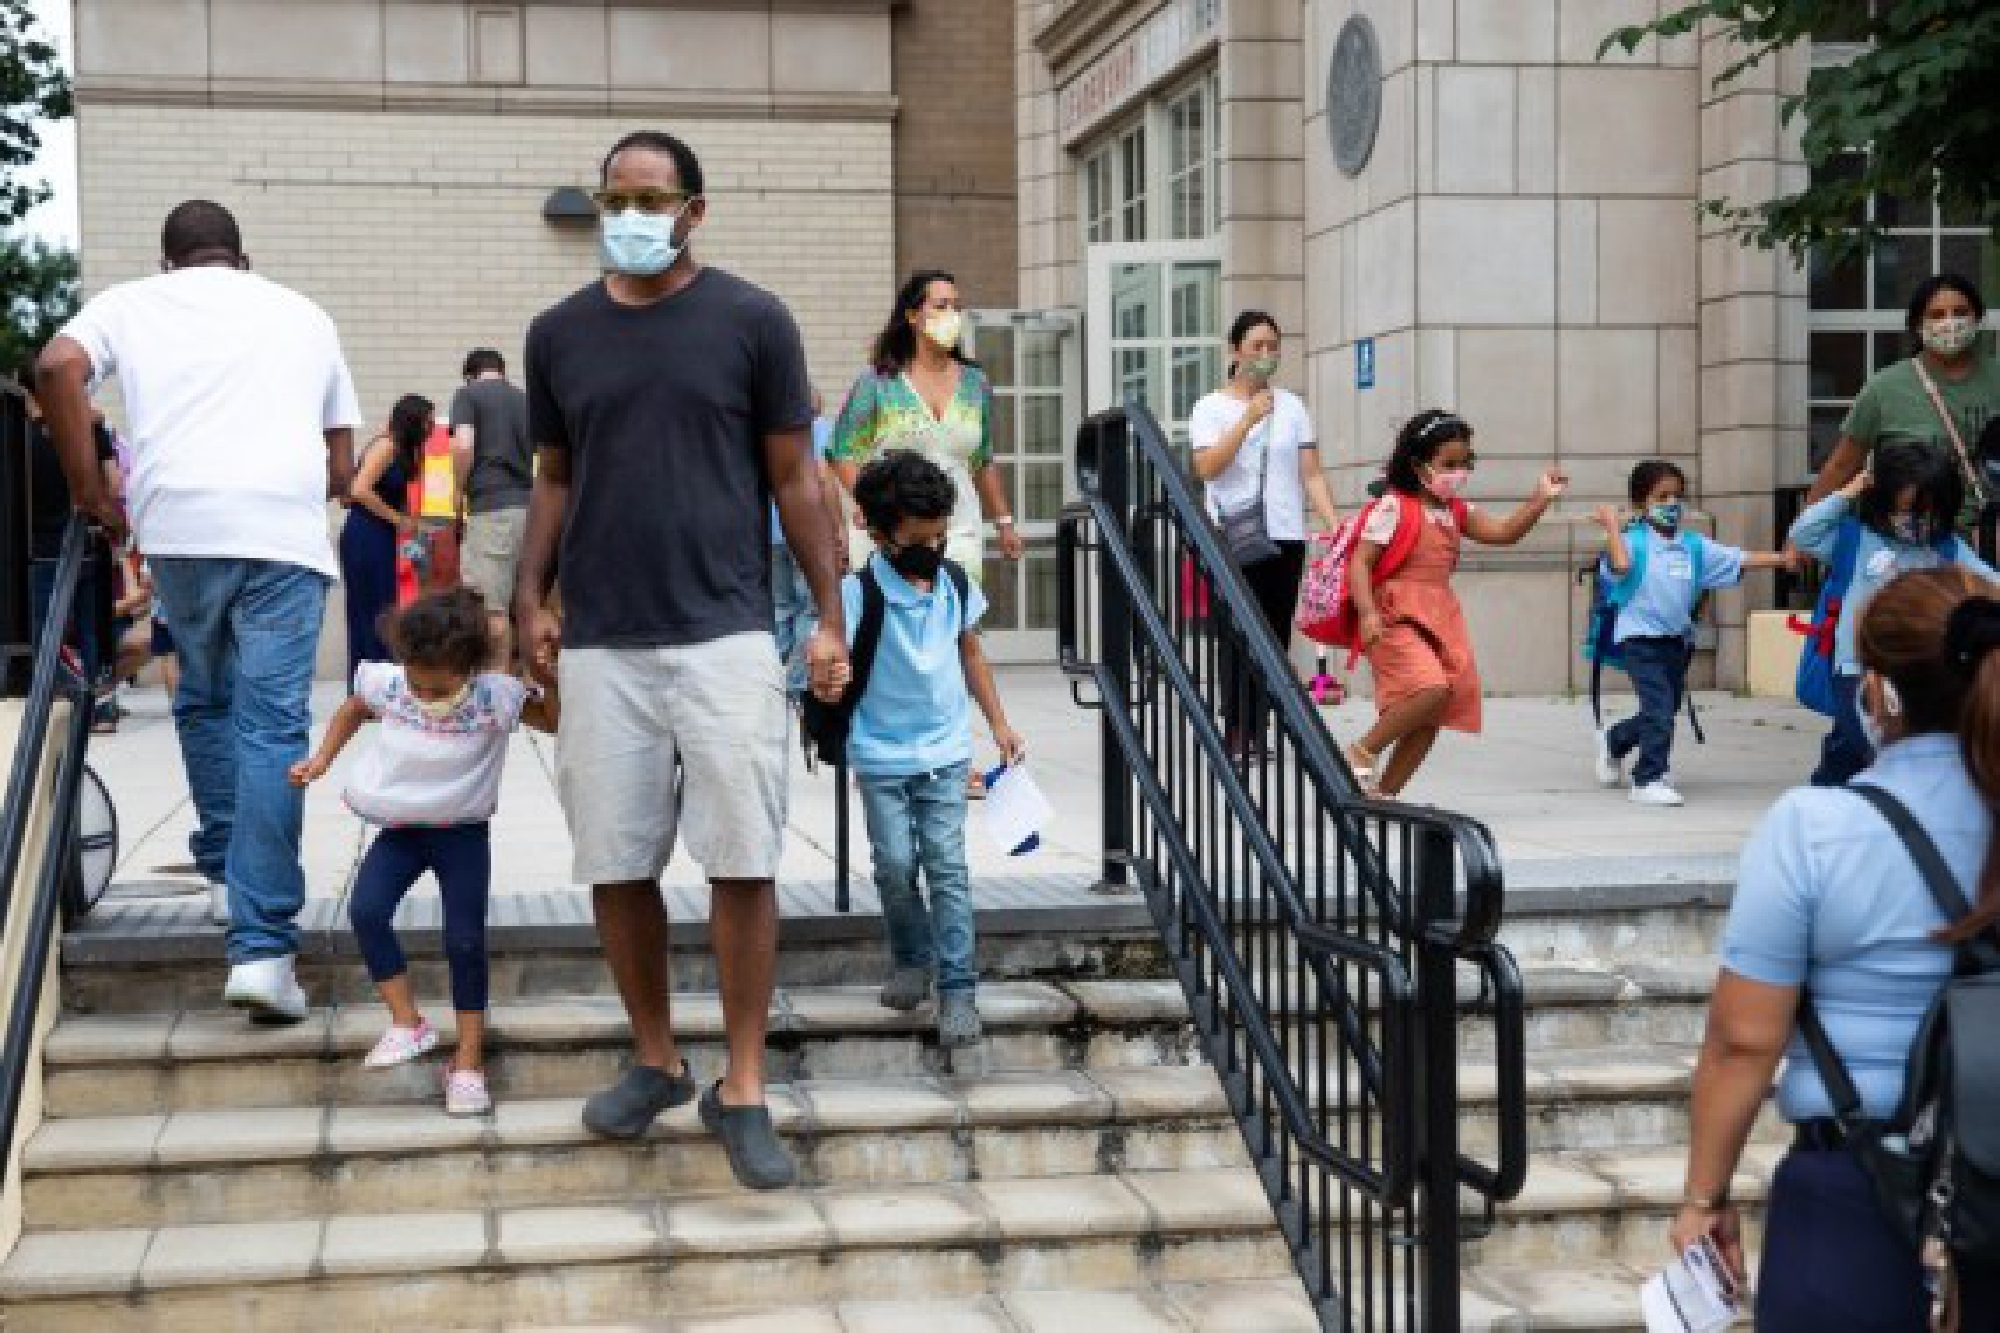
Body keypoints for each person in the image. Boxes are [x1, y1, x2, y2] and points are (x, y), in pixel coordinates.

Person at [516, 130, 848, 1190]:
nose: (631, 211)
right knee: (616, 861)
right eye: (615, 195)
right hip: (605, 637)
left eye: (651, 196)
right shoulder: (556, 334)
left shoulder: (752, 321)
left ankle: (741, 1084)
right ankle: (656, 1057)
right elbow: (556, 478)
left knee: (742, 856)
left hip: (725, 632)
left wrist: (829, 613)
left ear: (694, 209)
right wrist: (528, 594)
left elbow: (796, 479)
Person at [37, 198, 361, 1017]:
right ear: (241, 258)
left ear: (168, 258)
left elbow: (55, 369)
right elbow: (340, 462)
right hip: (281, 538)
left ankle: (224, 868)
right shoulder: (303, 313)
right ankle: (261, 949)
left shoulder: (132, 302)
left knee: (208, 701)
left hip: (179, 529)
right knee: (272, 727)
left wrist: (91, 492)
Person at [1674, 567, 2000, 1330]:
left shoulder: (1814, 827)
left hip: (1857, 1192)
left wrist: (1703, 1199)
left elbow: (1741, 1041)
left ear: (1878, 689)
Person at [289, 588, 555, 1116]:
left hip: (461, 835)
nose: (425, 696)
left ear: (468, 671)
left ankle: (469, 1063)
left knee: (464, 941)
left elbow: (552, 721)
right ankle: (408, 1023)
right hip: (403, 828)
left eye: (438, 688)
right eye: (418, 683)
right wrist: (321, 758)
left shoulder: (493, 696)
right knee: (366, 910)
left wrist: (546, 677)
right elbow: (353, 709)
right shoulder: (393, 684)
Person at [841, 452, 1024, 1047]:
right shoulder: (858, 594)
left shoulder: (953, 585)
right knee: (895, 866)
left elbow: (971, 654)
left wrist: (998, 724)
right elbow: (829, 664)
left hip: (945, 751)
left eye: (941, 536)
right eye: (920, 539)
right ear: (877, 529)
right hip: (880, 755)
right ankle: (909, 956)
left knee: (947, 868)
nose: (933, 549)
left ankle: (958, 986)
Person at [1344, 410, 1565, 798]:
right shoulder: (1393, 506)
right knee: (1429, 689)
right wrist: (1367, 613)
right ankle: (1361, 751)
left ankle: (1385, 795)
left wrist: (1540, 499)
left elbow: (1504, 533)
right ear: (1418, 465)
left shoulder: (1457, 511)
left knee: (1433, 713)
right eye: (1449, 464)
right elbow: (1361, 561)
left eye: (1466, 464)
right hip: (1394, 614)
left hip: (1438, 615)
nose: (1459, 472)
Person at [1789, 441, 1996, 786]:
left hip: (1913, 664)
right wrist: (1848, 491)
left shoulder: (1944, 548)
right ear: (1882, 500)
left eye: (1927, 513)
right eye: (1906, 510)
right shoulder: (1855, 541)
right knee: (1868, 743)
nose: (1915, 522)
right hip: (1854, 666)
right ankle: (1850, 798)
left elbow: (1987, 580)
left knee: (1853, 747)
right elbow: (1804, 533)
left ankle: (1832, 789)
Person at [1590, 460, 1794, 807]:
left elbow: (1738, 558)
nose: (1671, 504)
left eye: (1677, 496)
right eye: (1661, 496)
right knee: (1659, 709)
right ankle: (1649, 778)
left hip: (1675, 641)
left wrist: (1782, 559)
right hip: (1639, 640)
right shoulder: (1631, 543)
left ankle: (1615, 739)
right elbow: (1620, 566)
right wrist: (1612, 525)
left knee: (1662, 711)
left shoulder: (1693, 546)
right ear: (1642, 503)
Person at [1189, 311, 1341, 757]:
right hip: (1231, 534)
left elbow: (1310, 473)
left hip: (1285, 534)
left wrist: (1331, 520)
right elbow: (1206, 468)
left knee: (1273, 635)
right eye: (1257, 346)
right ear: (1234, 350)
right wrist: (1247, 420)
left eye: (1274, 346)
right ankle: (1237, 727)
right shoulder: (1210, 407)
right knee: (1237, 630)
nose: (1267, 355)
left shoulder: (1292, 406)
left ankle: (1258, 726)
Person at [829, 270, 1024, 580]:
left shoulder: (976, 384)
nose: (952, 315)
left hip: (957, 527)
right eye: (941, 305)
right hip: (890, 531)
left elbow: (982, 459)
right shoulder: (879, 382)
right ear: (912, 315)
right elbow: (841, 452)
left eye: (957, 307)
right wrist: (869, 501)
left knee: (958, 618)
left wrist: (1005, 523)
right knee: (892, 623)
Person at [1808, 272, 1998, 524]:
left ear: (1977, 318)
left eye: (1961, 312)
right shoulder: (1883, 389)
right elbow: (1841, 466)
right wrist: (1804, 529)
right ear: (1918, 325)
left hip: (1989, 539)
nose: (1950, 322)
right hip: (1912, 545)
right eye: (1937, 314)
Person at [19, 363, 119, 724]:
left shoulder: (19, 437)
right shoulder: (89, 429)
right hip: (84, 541)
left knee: (46, 631)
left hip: (39, 547)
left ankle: (51, 705)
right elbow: (114, 482)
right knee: (89, 629)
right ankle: (92, 709)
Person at [340, 395, 430, 683]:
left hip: (383, 536)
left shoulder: (407, 451)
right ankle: (368, 686)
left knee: (385, 607)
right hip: (366, 535)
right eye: (427, 420)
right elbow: (359, 490)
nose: (430, 426)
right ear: (412, 420)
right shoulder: (386, 446)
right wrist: (399, 520)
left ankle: (379, 683)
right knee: (371, 609)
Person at [449, 348, 532, 657]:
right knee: (526, 608)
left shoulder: (468, 395)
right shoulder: (525, 400)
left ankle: (496, 693)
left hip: (491, 508)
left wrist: (458, 488)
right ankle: (529, 690)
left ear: (469, 374)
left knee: (490, 610)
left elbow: (464, 444)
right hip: (530, 509)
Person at [771, 387, 848, 693]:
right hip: (807, 534)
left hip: (771, 535)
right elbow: (823, 480)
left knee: (779, 608)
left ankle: (773, 679)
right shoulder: (819, 431)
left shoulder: (772, 436)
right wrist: (837, 527)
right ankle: (798, 685)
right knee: (810, 609)